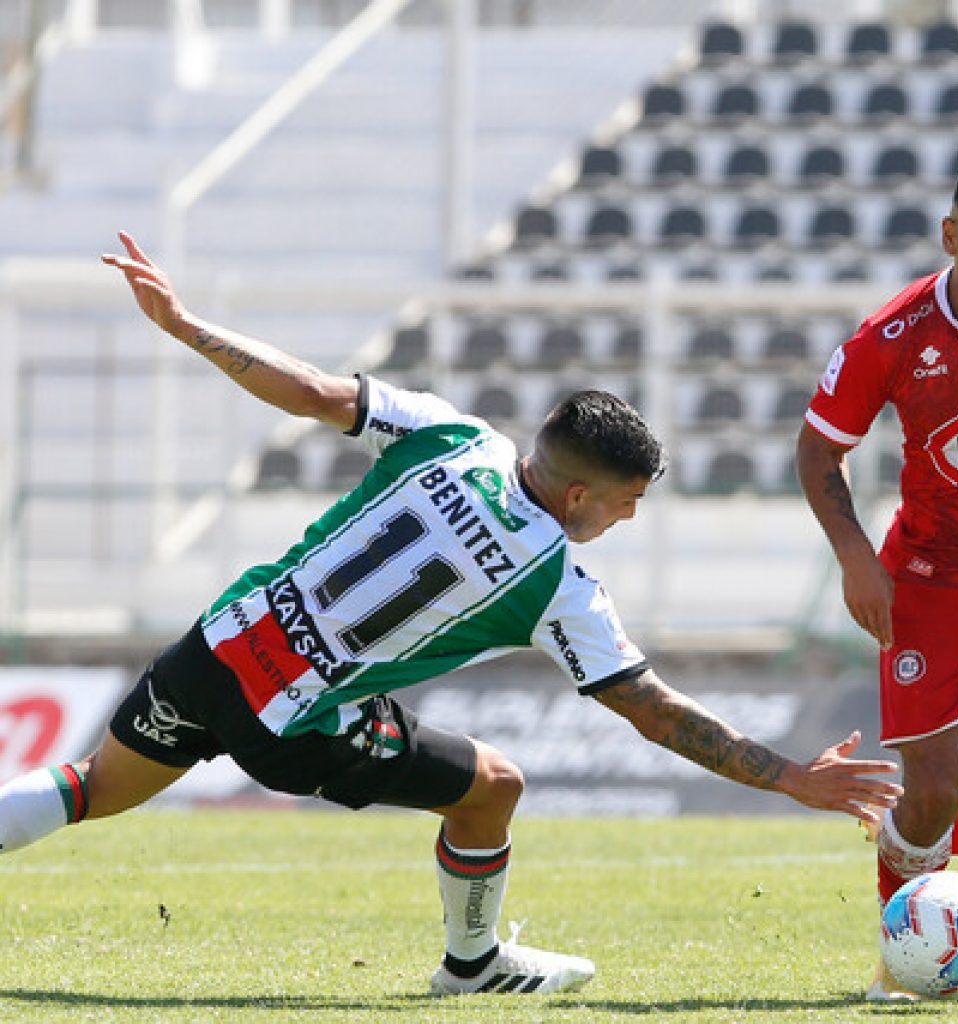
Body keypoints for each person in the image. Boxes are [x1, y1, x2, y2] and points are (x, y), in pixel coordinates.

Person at [0, 232, 901, 998]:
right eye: (622, 505)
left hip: (222, 642)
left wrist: (190, 327)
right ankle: (471, 965)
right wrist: (792, 779)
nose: (624, 521)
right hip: (298, 720)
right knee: (495, 788)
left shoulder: (453, 433)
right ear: (580, 493)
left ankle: (476, 962)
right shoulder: (556, 583)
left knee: (88, 789)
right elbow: (652, 709)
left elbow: (314, 391)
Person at [797, 150, 958, 1002]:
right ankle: (905, 965)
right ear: (952, 236)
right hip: (932, 580)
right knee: (932, 787)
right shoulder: (894, 335)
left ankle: (923, 834)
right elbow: (821, 445)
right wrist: (858, 556)